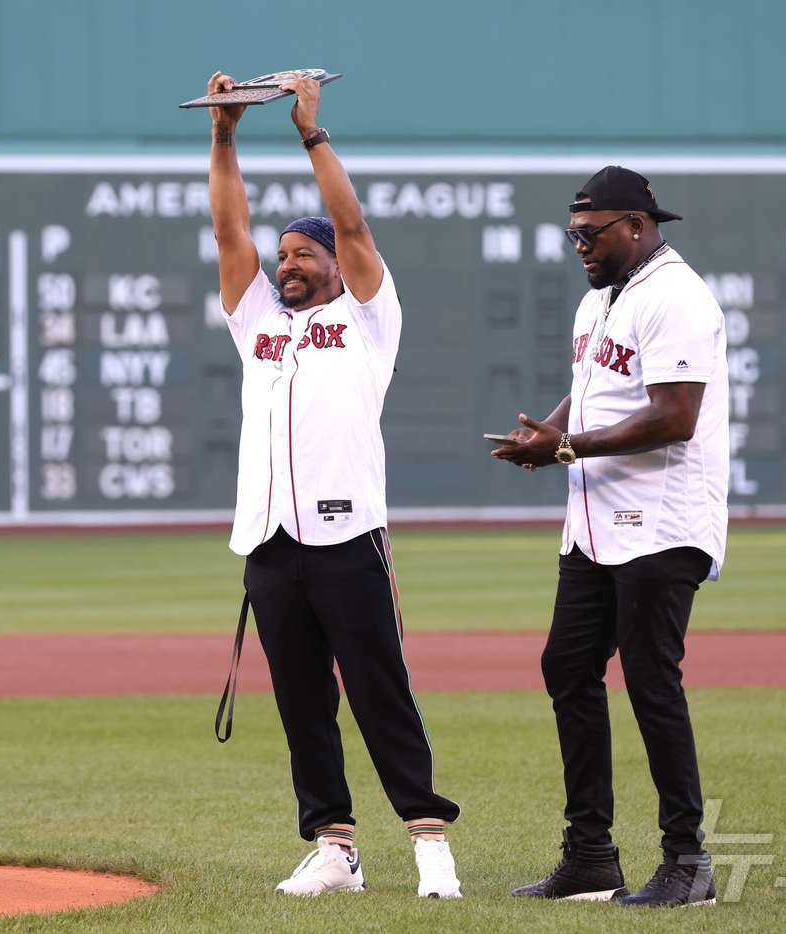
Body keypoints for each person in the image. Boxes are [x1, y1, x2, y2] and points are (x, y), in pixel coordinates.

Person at [205, 70, 461, 899]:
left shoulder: (364, 319)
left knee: (381, 690)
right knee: (302, 705)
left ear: (338, 265)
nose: (286, 264)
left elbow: (350, 220)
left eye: (302, 253)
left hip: (349, 537)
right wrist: (225, 133)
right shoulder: (260, 329)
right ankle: (335, 848)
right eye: (283, 254)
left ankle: (429, 841)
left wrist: (311, 133)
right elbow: (227, 231)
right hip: (272, 543)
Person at [491, 166, 729, 908]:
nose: (580, 246)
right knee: (567, 666)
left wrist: (565, 449)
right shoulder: (602, 301)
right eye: (572, 235)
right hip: (596, 525)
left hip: (661, 521)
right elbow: (596, 380)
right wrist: (555, 428)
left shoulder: (677, 296)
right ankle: (591, 855)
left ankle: (687, 862)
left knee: (652, 681)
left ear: (636, 224)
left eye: (590, 234)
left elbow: (674, 417)